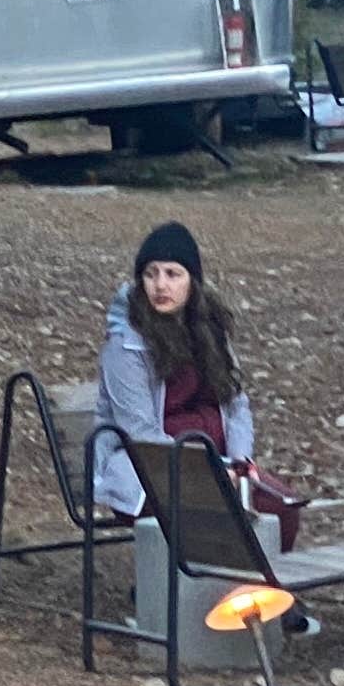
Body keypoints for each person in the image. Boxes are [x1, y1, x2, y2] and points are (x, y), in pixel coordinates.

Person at [93, 221, 299, 544]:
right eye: (151, 274)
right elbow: (140, 432)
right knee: (210, 513)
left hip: (220, 464)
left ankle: (259, 579)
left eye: (172, 274)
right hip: (149, 471)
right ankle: (200, 578)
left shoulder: (209, 332)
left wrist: (240, 464)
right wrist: (207, 473)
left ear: (192, 281)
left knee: (282, 509)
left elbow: (236, 405)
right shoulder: (126, 345)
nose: (160, 285)